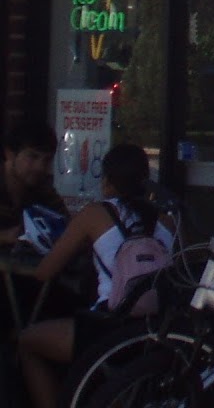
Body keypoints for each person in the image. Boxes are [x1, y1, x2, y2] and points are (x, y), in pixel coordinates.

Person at [18, 143, 173, 408]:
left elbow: (46, 271)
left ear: (108, 181)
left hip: (108, 328)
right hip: (158, 330)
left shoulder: (95, 214)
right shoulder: (168, 220)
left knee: (27, 341)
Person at [0, 120, 65, 242]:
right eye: (32, 157)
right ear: (10, 154)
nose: (39, 167)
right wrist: (5, 236)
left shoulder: (43, 189)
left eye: (47, 160)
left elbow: (66, 227)